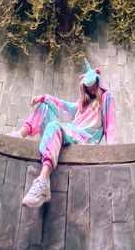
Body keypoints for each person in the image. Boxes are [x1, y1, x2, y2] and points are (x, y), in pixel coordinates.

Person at [8, 58, 117, 208]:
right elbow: (63, 106)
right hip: (70, 133)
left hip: (85, 140)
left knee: (54, 127)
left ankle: (43, 181)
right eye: (88, 87)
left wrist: (110, 150)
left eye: (93, 86)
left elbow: (110, 124)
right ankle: (20, 134)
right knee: (46, 106)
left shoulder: (106, 98)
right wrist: (44, 97)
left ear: (99, 84)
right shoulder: (81, 104)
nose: (91, 90)